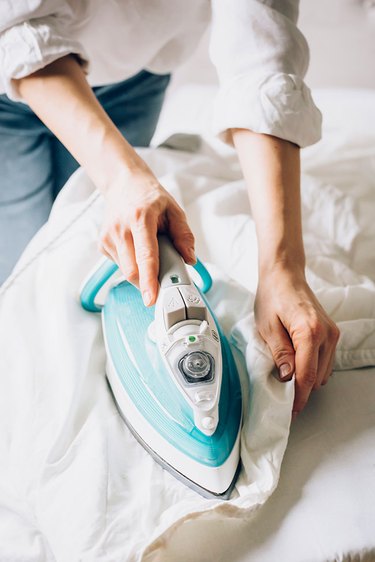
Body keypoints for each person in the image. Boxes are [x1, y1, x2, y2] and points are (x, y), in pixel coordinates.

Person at [0, 1, 340, 418]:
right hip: (10, 79)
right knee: (27, 262)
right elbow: (16, 24)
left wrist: (282, 267)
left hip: (137, 76)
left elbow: (261, 61)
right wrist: (124, 178)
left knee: (100, 232)